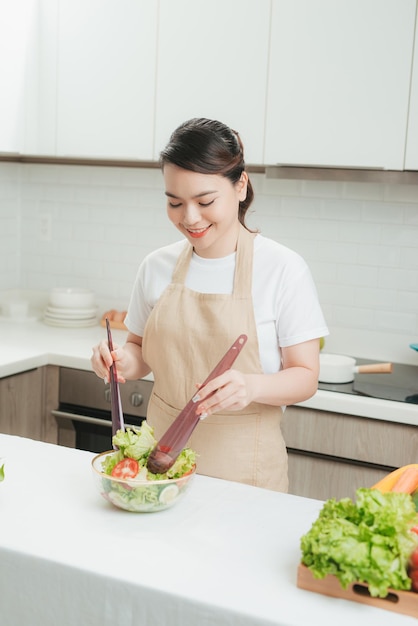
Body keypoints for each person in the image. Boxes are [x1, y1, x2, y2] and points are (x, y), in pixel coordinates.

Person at [91, 117, 328, 492]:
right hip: (158, 472)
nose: (190, 218)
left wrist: (250, 387)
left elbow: (305, 376)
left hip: (246, 477)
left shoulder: (283, 269)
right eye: (174, 202)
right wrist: (118, 362)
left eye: (205, 201)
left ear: (241, 185)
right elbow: (139, 353)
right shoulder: (156, 267)